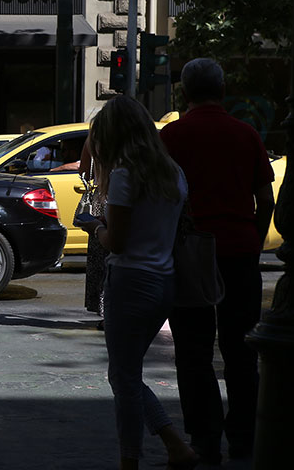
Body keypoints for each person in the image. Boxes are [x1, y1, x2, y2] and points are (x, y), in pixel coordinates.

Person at [159, 58, 275, 464]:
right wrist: (253, 242)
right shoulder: (246, 135)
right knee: (241, 350)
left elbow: (160, 199)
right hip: (240, 253)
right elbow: (266, 200)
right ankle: (243, 436)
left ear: (184, 93)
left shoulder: (172, 136)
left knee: (193, 352)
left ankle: (204, 438)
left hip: (189, 254)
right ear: (223, 91)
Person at [75, 95, 197, 470]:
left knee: (124, 377)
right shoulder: (172, 172)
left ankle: (135, 457)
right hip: (164, 282)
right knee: (125, 373)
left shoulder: (126, 175)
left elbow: (118, 240)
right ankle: (173, 445)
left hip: (129, 282)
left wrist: (94, 226)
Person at [78, 136, 107, 329]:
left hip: (100, 200)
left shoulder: (94, 139)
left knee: (101, 258)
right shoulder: (130, 138)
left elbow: (83, 173)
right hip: (124, 197)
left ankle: (105, 310)